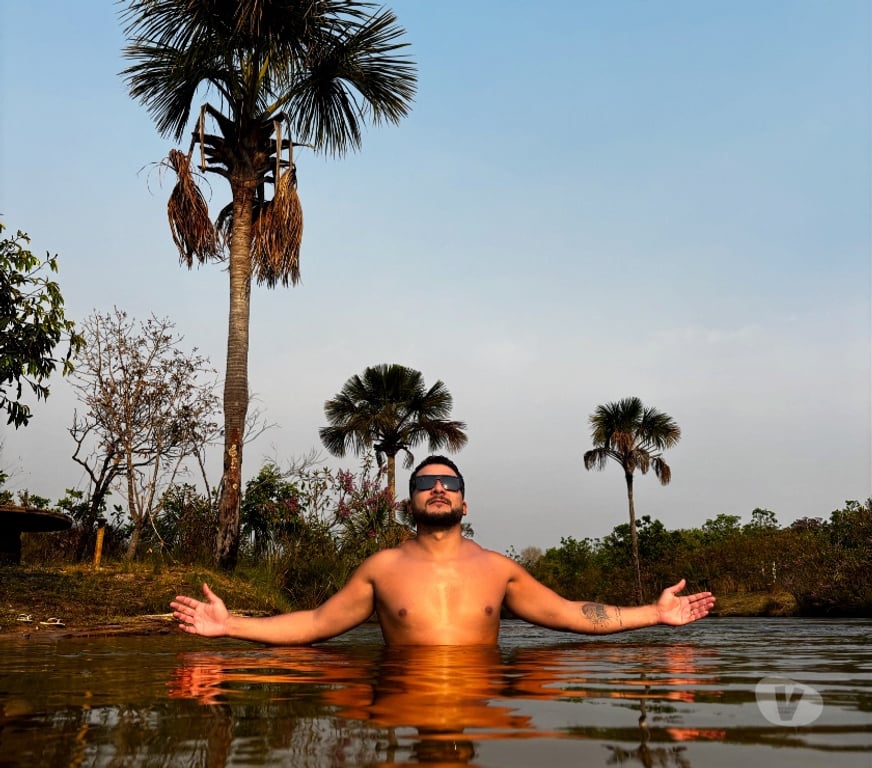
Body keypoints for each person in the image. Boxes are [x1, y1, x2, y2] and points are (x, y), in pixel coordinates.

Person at [171, 455, 716, 646]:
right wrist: (231, 626)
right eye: (426, 483)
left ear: (464, 502)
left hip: (483, 690)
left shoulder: (498, 569)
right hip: (401, 692)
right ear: (409, 503)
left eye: (449, 483)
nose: (438, 488)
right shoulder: (381, 569)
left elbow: (571, 614)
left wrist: (655, 614)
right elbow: (315, 624)